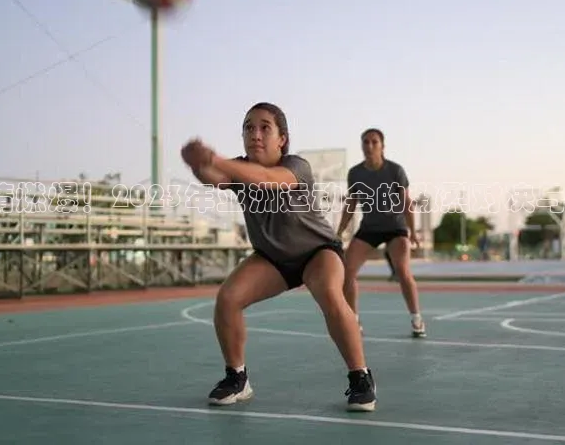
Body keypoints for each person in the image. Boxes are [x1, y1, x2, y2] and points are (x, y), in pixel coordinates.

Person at [180, 102, 377, 411]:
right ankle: (237, 377)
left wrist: (214, 159)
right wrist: (196, 164)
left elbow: (265, 179)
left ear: (282, 138)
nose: (254, 134)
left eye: (264, 127)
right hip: (272, 258)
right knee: (228, 298)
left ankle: (361, 377)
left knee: (328, 292)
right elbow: (213, 178)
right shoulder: (238, 167)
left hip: (318, 251)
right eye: (248, 127)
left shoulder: (296, 166)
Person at [336, 128, 426, 338]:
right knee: (347, 272)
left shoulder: (395, 170)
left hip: (395, 227)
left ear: (382, 146)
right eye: (365, 142)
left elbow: (406, 203)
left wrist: (412, 232)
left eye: (374, 142)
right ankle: (354, 320)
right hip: (369, 229)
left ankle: (417, 319)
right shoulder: (356, 173)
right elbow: (351, 205)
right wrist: (339, 232)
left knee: (402, 271)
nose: (369, 146)